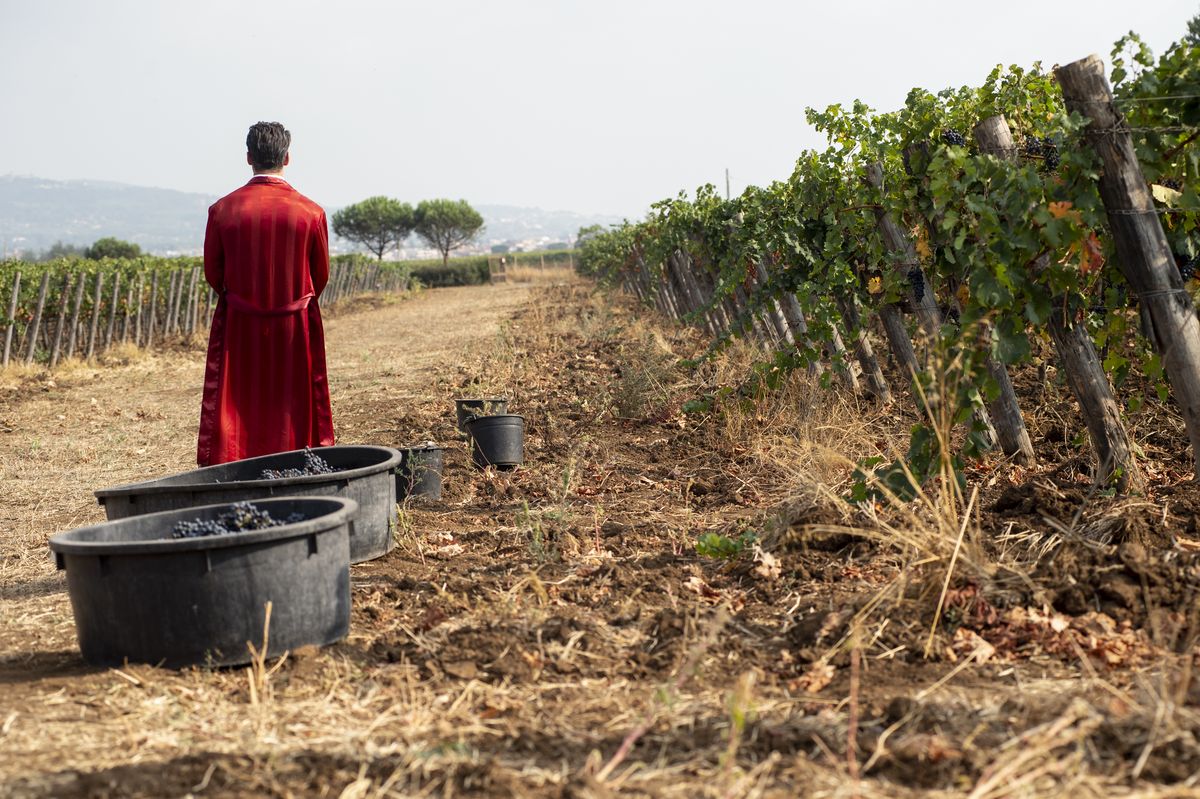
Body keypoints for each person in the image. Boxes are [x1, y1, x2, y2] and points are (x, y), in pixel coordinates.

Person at [196, 121, 335, 466]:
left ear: (248, 158)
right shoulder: (311, 212)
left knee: (239, 400)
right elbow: (320, 277)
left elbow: (214, 273)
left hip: (240, 324)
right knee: (293, 401)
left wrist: (245, 298)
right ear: (287, 157)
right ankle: (301, 464)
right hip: (295, 326)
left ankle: (235, 465)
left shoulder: (222, 210)